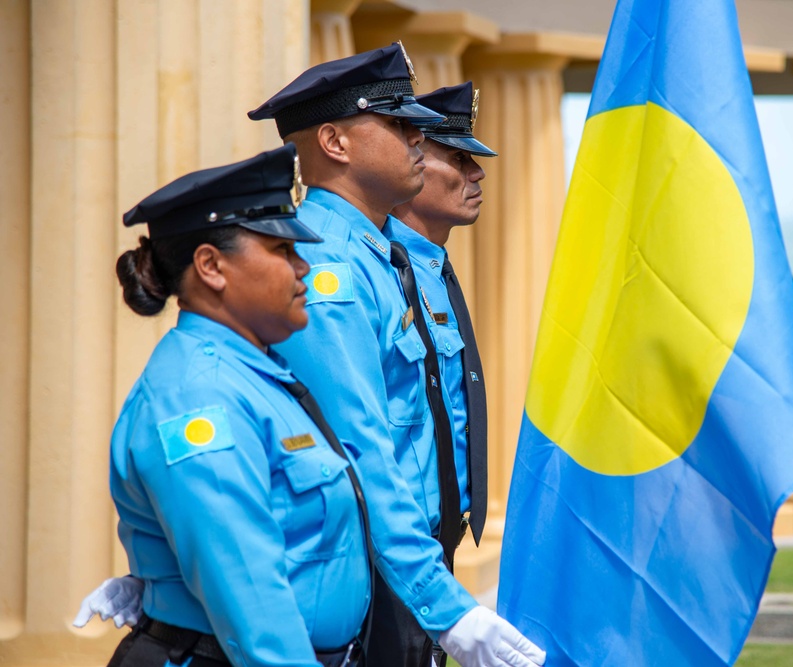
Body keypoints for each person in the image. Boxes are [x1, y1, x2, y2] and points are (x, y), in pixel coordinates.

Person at [249, 44, 543, 667]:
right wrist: (445, 604)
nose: (419, 136)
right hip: (378, 566)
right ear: (334, 142)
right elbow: (362, 448)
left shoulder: (377, 256)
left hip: (407, 557)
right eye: (399, 123)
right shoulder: (330, 265)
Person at [99, 143, 374, 666]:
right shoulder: (198, 397)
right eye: (282, 251)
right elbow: (254, 609)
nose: (304, 269)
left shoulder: (256, 372)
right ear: (211, 266)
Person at [387, 80, 496, 561]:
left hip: (436, 540)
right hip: (398, 547)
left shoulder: (430, 266)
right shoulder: (383, 267)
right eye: (457, 158)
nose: (476, 174)